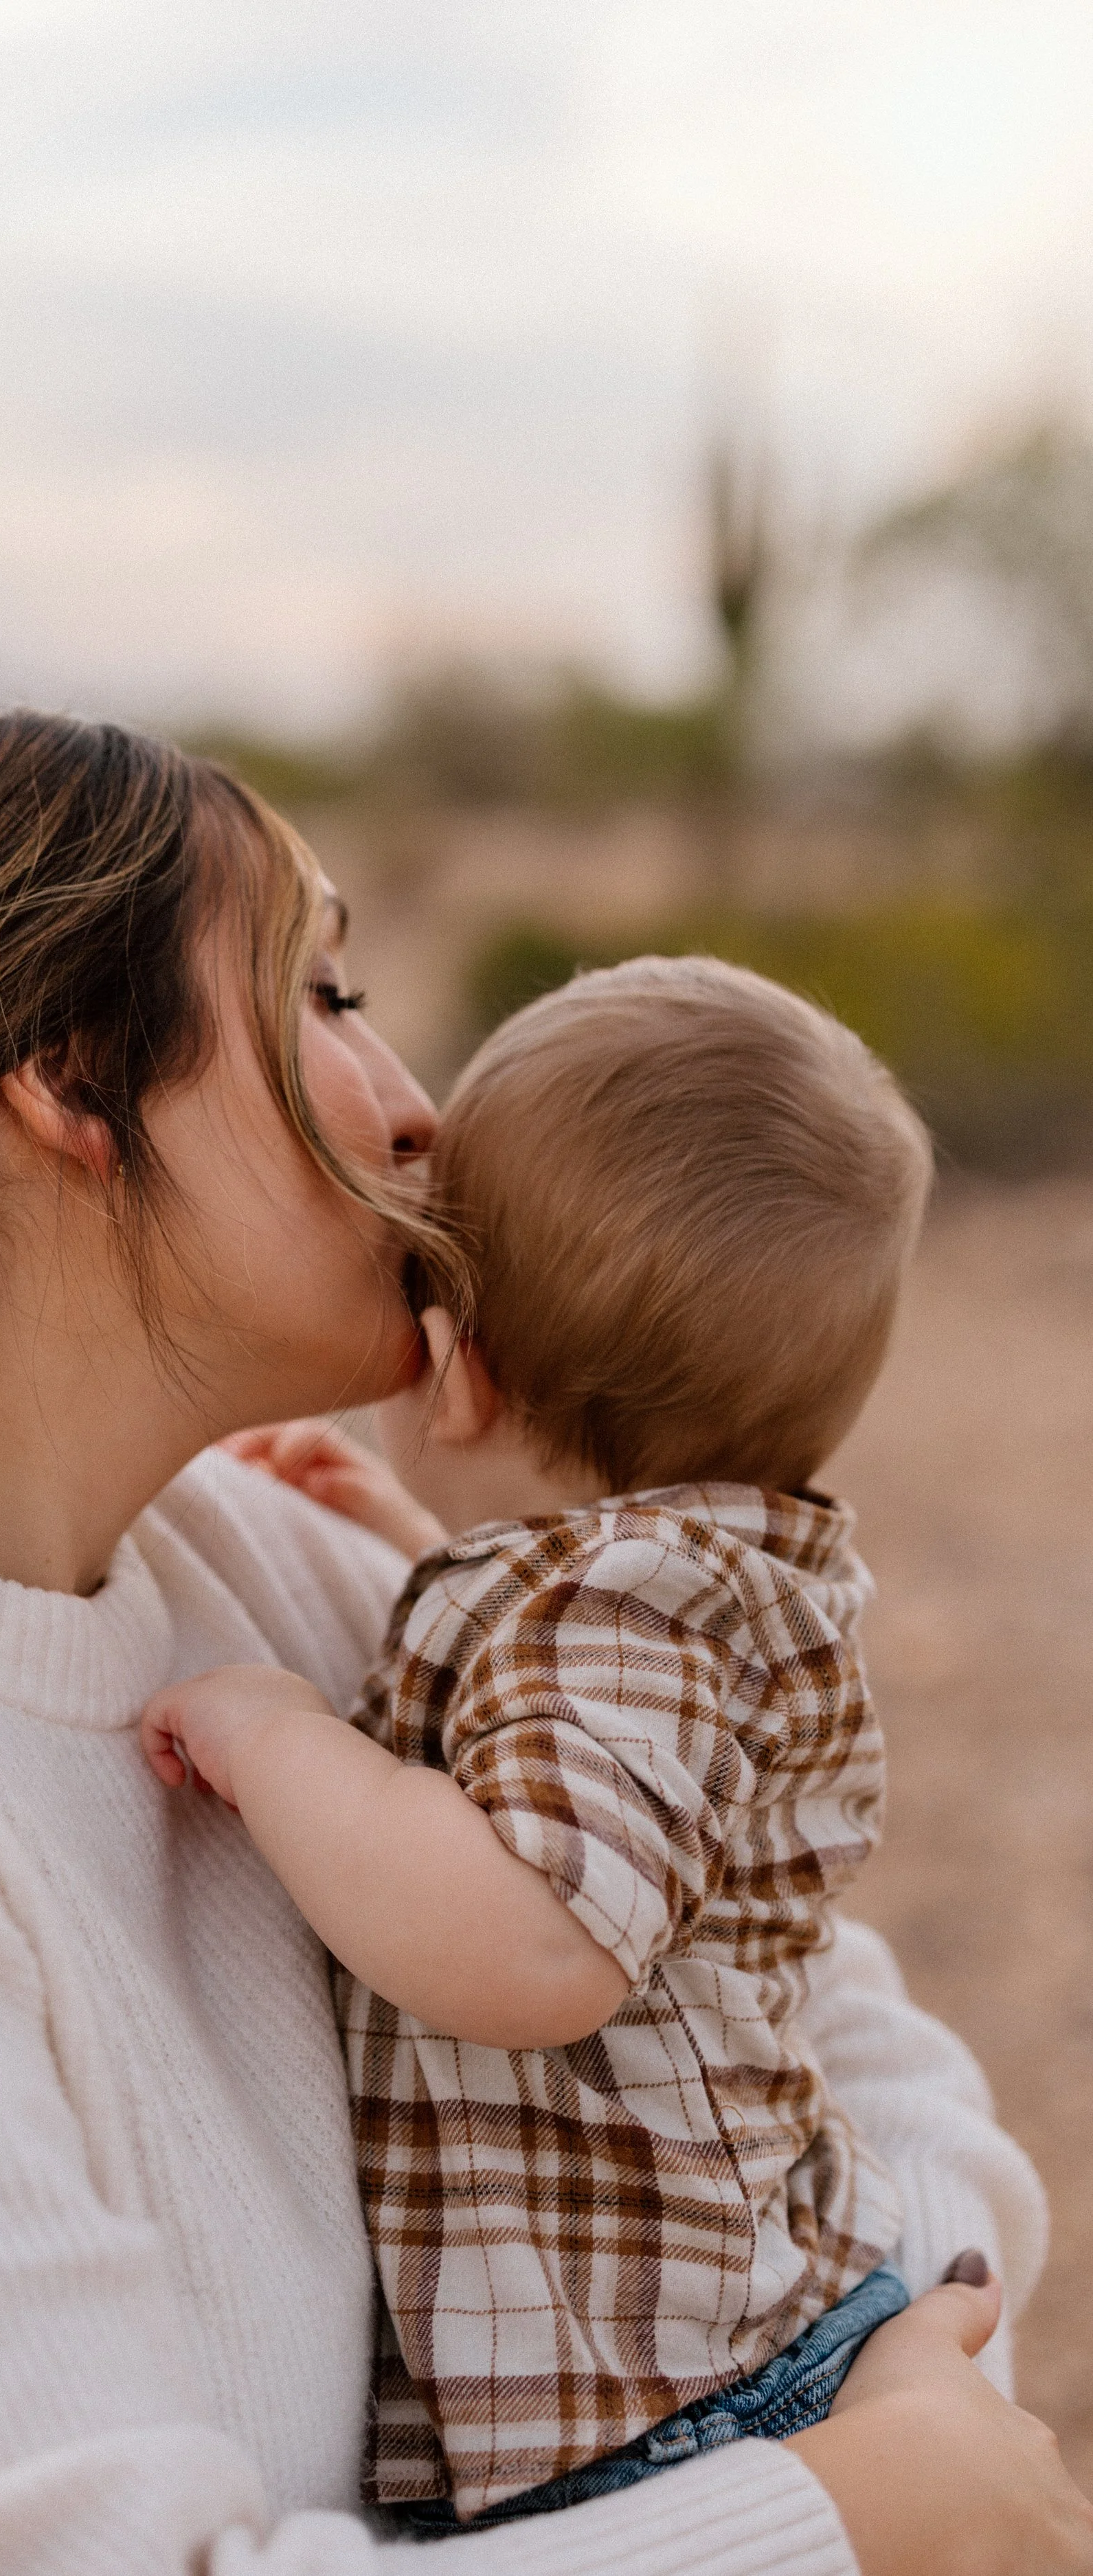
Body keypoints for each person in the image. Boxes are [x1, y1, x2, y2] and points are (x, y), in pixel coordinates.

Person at [0, 710, 1083, 2576]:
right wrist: (839, 2509)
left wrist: (896, 2363)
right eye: (323, 992)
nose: (418, 1103)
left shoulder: (279, 1563)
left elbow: (833, 2034)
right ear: (66, 1075)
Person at [139, 956, 935, 2527]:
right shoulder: (646, 1590)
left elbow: (531, 1943)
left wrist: (282, 1736)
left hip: (673, 2406)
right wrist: (416, 1546)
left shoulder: (617, 1619)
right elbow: (545, 1720)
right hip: (705, 2358)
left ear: (459, 1370)